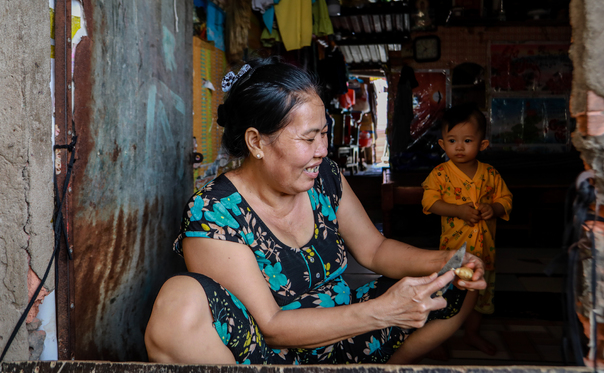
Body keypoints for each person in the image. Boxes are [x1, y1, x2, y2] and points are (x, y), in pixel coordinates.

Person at [144, 57, 487, 365]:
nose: (322, 150)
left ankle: (384, 367)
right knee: (180, 301)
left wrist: (447, 262)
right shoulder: (215, 211)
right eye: (308, 139)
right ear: (256, 142)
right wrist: (381, 312)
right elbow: (273, 326)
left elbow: (376, 249)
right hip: (272, 356)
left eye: (324, 134)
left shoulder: (325, 176)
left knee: (454, 284)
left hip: (346, 334)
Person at [421, 103, 513, 356]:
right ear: (443, 144)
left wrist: (493, 209)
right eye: (452, 140)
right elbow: (429, 202)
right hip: (452, 252)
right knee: (446, 294)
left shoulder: (491, 174)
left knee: (480, 296)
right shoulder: (440, 174)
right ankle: (435, 339)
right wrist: (458, 210)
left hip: (485, 252)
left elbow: (506, 200)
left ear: (482, 144)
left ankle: (472, 334)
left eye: (468, 140)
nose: (459, 146)